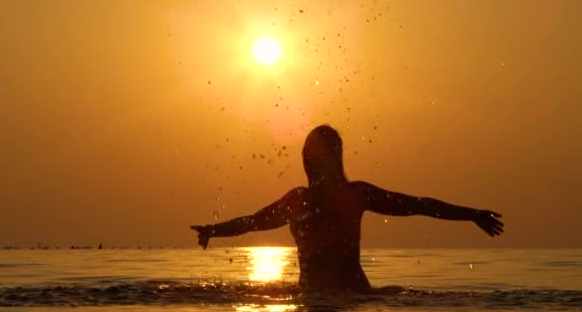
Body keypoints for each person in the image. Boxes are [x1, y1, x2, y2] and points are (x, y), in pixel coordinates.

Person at [191, 125, 504, 292]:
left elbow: (416, 205)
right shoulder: (301, 199)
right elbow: (254, 221)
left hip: (349, 297)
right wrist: (213, 230)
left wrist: (471, 214)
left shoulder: (352, 195)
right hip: (323, 301)